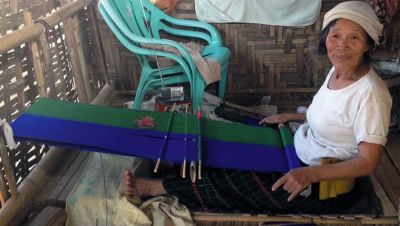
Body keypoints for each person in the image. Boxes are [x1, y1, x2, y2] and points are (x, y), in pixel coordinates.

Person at [123, 1, 392, 214]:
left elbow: (368, 161)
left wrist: (309, 174)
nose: (341, 46)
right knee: (227, 148)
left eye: (354, 38)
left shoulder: (371, 94)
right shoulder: (338, 69)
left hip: (322, 186)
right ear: (326, 38)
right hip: (299, 148)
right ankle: (177, 173)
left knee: (230, 183)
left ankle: (159, 187)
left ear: (368, 43)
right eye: (335, 35)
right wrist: (291, 116)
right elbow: (332, 114)